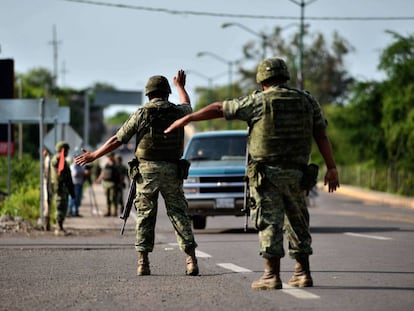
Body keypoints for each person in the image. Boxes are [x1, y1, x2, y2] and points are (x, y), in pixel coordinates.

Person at [164, 58, 340, 289]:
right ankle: (302, 272)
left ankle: (271, 275)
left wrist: (188, 117)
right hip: (298, 174)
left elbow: (220, 108)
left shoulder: (257, 102)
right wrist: (332, 167)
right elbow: (321, 135)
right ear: (285, 77)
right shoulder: (307, 101)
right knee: (297, 221)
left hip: (267, 174)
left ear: (262, 80)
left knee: (269, 222)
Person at [75, 70, 199, 276]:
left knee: (145, 216)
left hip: (147, 172)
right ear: (167, 93)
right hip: (172, 171)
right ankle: (191, 260)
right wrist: (181, 87)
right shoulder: (178, 112)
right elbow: (188, 105)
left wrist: (95, 155)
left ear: (148, 94)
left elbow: (117, 139)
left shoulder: (141, 114)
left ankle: (143, 263)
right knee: (179, 214)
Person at [50, 141, 75, 236]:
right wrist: (60, 155)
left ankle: (61, 227)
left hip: (64, 188)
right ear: (62, 150)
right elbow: (56, 164)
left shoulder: (64, 161)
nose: (67, 152)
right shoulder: (57, 160)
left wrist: (71, 190)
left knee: (64, 208)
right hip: (59, 188)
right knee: (59, 207)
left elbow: (68, 177)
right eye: (66, 150)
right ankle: (58, 228)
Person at [96, 152, 119, 217]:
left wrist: (120, 183)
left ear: (113, 156)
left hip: (113, 183)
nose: (109, 157)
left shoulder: (115, 165)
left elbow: (120, 175)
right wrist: (98, 180)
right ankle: (108, 211)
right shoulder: (106, 165)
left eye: (110, 156)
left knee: (113, 198)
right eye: (108, 156)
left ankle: (115, 212)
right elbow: (103, 173)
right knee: (107, 198)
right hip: (106, 183)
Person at [42, 147, 52, 231]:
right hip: (46, 185)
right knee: (46, 205)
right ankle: (46, 225)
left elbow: (47, 174)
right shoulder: (46, 159)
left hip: (47, 186)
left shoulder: (48, 160)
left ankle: (47, 225)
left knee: (47, 205)